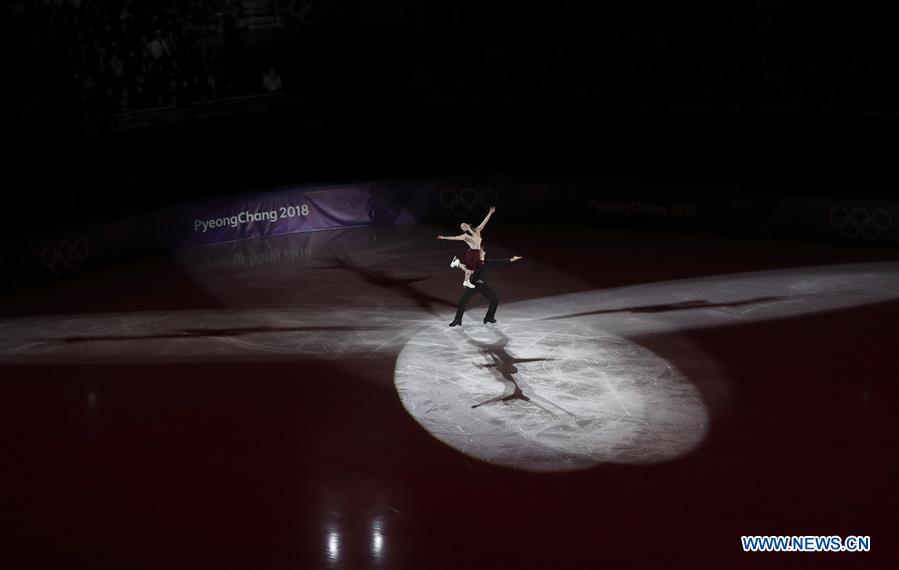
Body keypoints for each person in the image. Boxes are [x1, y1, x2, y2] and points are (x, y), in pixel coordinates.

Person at [449, 248, 523, 326]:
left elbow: (499, 262)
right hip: (473, 285)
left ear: (484, 253)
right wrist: (458, 262)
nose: (480, 253)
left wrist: (511, 259)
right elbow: (465, 265)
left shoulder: (488, 262)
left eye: (481, 251)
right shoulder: (474, 262)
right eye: (479, 252)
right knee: (463, 301)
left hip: (483, 285)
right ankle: (457, 320)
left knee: (494, 300)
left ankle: (489, 317)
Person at [437, 206, 495, 288]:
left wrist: (490, 213)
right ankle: (457, 263)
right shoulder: (465, 236)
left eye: (464, 224)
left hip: (476, 252)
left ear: (468, 225)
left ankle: (466, 281)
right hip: (472, 253)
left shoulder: (477, 230)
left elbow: (484, 222)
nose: (463, 226)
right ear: (464, 230)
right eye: (462, 227)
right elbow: (455, 238)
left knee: (476, 268)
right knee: (470, 271)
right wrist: (444, 237)